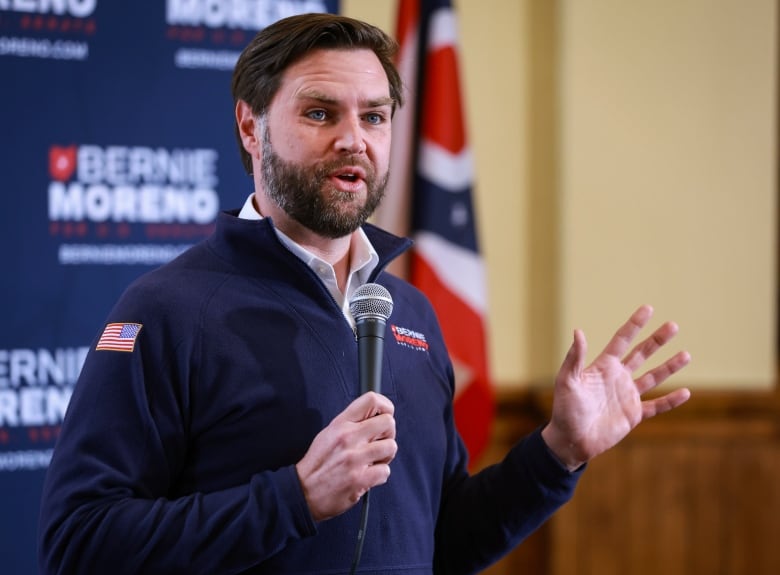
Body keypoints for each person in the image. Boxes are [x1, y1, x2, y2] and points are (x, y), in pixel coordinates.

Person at [37, 13, 691, 575]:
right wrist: (293, 497)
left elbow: (440, 542)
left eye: (374, 116)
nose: (354, 138)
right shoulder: (168, 310)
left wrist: (558, 451)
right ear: (249, 127)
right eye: (321, 112)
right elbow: (77, 543)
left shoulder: (409, 313)